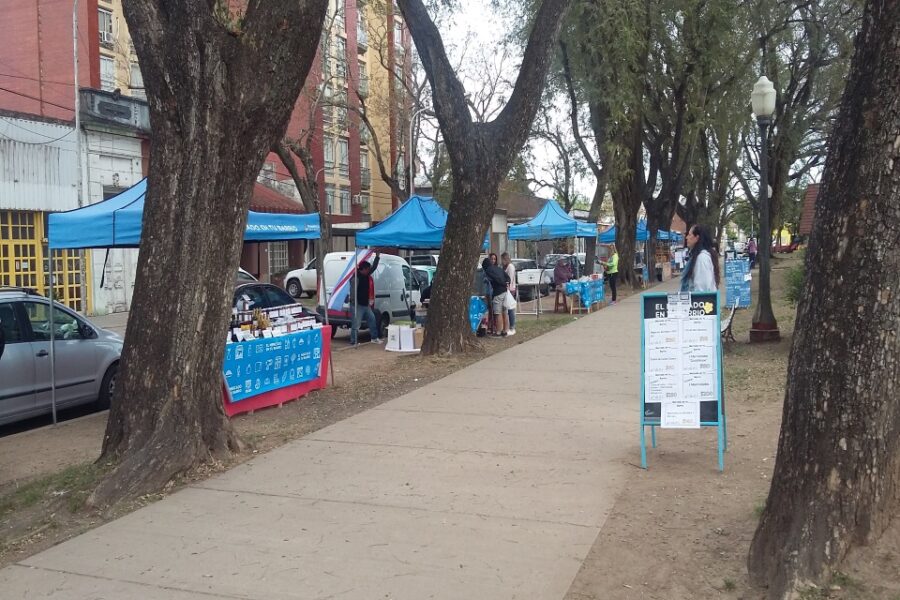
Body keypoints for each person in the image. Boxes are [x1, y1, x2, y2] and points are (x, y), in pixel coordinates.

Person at [350, 253, 382, 345]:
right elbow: (353, 291)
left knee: (372, 319)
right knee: (356, 324)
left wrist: (377, 256)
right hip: (357, 305)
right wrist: (354, 302)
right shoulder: (356, 278)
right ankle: (354, 342)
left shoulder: (366, 275)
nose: (369, 271)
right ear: (363, 269)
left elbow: (374, 267)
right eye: (367, 269)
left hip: (365, 304)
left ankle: (374, 338)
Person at [681, 224, 720, 293]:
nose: (686, 237)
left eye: (689, 235)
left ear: (697, 238)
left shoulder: (702, 258)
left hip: (698, 302)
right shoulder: (696, 256)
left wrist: (698, 301)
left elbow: (702, 288)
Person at [482, 257, 510, 337]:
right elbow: (507, 277)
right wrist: (506, 283)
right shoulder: (498, 268)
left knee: (498, 313)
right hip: (505, 292)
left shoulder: (488, 271)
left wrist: (501, 283)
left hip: (498, 293)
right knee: (505, 312)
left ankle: (498, 331)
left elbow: (494, 279)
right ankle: (505, 331)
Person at [501, 252, 517, 336]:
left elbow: (510, 279)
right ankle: (509, 326)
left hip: (510, 289)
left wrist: (508, 288)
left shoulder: (510, 267)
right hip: (506, 289)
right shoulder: (504, 267)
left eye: (503, 260)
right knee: (507, 309)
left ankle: (512, 327)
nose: (502, 261)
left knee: (510, 308)